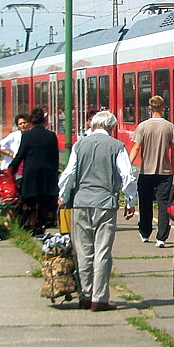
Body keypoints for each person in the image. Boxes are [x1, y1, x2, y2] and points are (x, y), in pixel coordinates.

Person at [57, 110, 137, 311]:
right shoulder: (117, 147)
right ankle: (99, 298)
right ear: (112, 128)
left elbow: (69, 174)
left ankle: (85, 295)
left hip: (81, 202)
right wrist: (130, 202)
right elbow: (127, 176)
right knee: (102, 251)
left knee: (83, 251)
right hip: (105, 203)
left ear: (92, 125)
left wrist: (63, 197)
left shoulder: (79, 145)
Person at [129, 95, 174, 247]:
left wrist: (127, 165)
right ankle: (161, 238)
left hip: (146, 172)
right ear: (163, 107)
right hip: (165, 173)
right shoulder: (169, 126)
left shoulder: (143, 126)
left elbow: (136, 147)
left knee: (145, 204)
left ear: (149, 108)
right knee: (163, 205)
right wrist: (171, 167)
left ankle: (145, 233)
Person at [9, 108, 59, 235]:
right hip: (47, 174)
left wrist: (11, 169)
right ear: (44, 121)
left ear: (32, 122)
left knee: (31, 201)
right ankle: (42, 224)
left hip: (31, 174)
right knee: (44, 200)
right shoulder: (51, 136)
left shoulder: (27, 136)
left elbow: (20, 155)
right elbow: (55, 158)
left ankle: (32, 224)